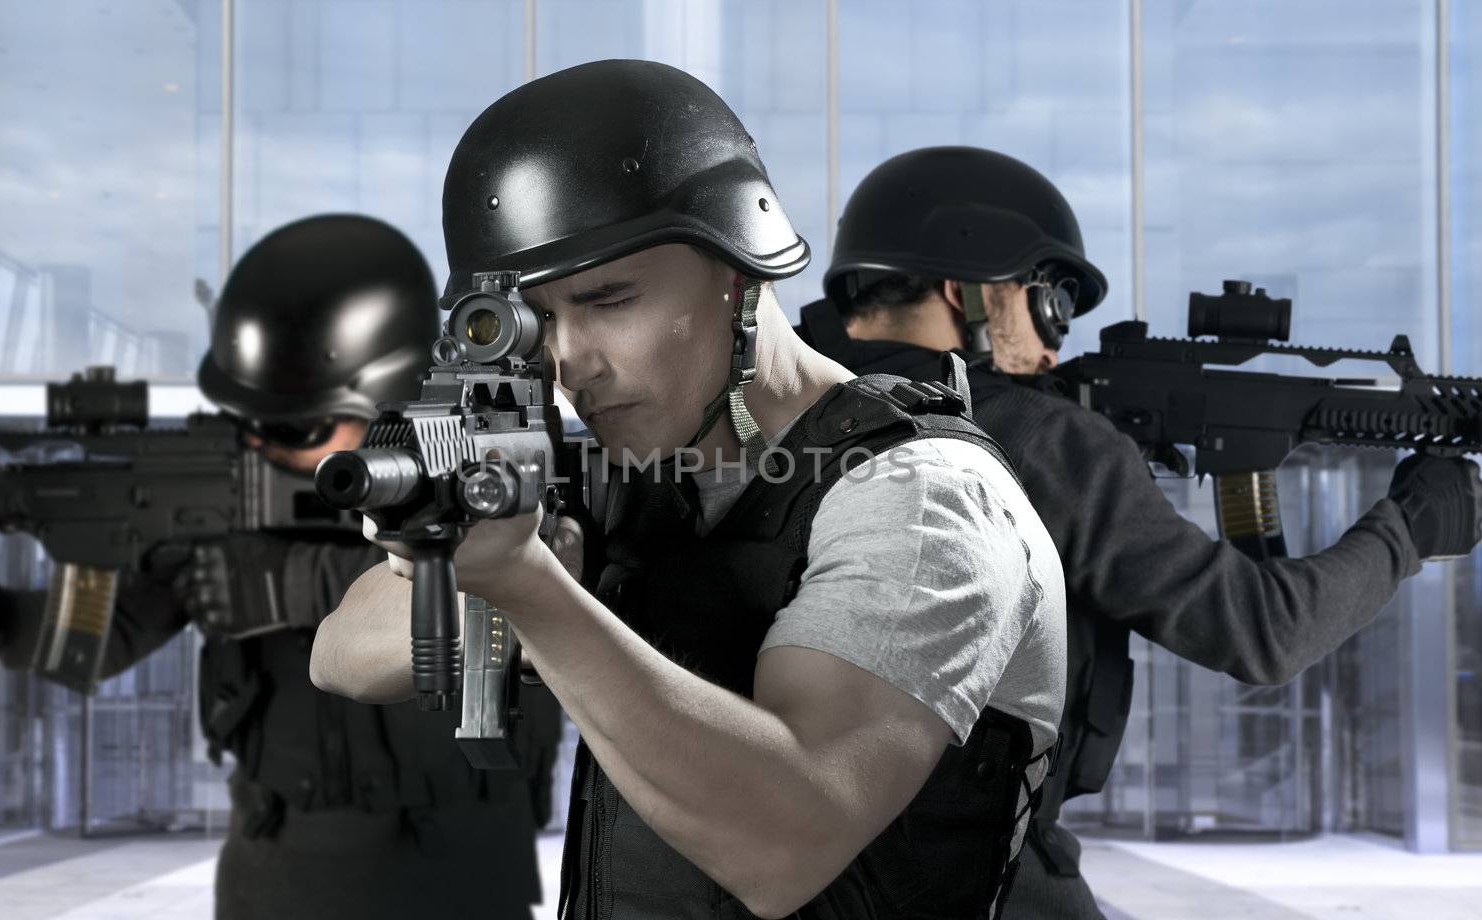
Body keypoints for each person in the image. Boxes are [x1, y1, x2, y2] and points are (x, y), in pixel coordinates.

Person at [310, 60, 1067, 920]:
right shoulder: (628, 478)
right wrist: (485, 570)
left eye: (609, 299)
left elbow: (785, 845)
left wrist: (530, 588)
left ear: (738, 271)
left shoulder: (922, 499)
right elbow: (339, 655)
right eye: (540, 321)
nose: (572, 364)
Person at [799, 145, 1482, 919]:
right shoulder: (1043, 439)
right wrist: (1411, 528)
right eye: (1048, 299)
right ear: (973, 291)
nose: (1056, 340)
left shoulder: (781, 409)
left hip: (769, 860)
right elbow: (1261, 632)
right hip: (971, 876)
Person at [0, 214, 559, 920]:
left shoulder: (494, 475)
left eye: (298, 426)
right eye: (250, 419)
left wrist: (288, 582)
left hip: (464, 870)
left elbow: (519, 590)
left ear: (394, 395)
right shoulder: (211, 510)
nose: (267, 447)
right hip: (281, 869)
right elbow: (103, 638)